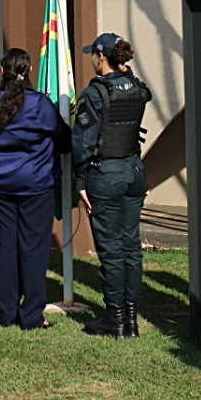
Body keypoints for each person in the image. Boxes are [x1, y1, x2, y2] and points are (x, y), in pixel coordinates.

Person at [0, 48, 70, 330]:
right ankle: (30, 315)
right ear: (30, 71)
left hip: (2, 183)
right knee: (33, 249)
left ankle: (7, 313)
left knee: (7, 246)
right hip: (36, 184)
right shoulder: (40, 105)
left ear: (2, 71)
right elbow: (64, 139)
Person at [72, 32, 152, 338]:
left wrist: (80, 179)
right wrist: (124, 72)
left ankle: (115, 319)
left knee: (112, 250)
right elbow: (143, 93)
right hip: (133, 170)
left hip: (105, 173)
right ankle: (130, 318)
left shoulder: (95, 93)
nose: (92, 59)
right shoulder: (136, 87)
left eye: (93, 54)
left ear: (101, 57)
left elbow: (83, 142)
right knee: (131, 246)